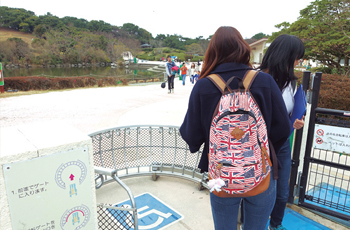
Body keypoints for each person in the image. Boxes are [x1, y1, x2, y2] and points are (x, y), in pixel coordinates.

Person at [179, 26, 291, 230]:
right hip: (261, 175)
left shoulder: (203, 86)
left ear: (212, 52)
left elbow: (191, 135)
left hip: (222, 177)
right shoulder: (264, 81)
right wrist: (259, 150)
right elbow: (283, 128)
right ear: (243, 49)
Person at [259, 34, 305, 230]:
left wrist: (295, 122)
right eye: (297, 57)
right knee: (258, 189)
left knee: (282, 192)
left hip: (282, 143)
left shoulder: (292, 83)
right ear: (285, 55)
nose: (298, 61)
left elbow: (290, 112)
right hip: (259, 144)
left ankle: (275, 225)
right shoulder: (259, 78)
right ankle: (250, 223)